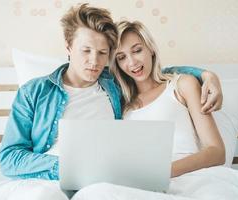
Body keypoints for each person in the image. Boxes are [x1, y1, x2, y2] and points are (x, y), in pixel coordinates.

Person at [0, 3, 221, 200]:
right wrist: (66, 167)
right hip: (48, 179)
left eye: (103, 53)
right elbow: (9, 157)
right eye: (86, 50)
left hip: (103, 185)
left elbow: (158, 76)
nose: (94, 62)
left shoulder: (113, 86)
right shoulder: (34, 92)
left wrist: (206, 75)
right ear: (68, 47)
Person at [70, 20, 225, 200]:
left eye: (137, 50)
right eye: (121, 57)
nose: (132, 62)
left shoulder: (182, 85)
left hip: (191, 179)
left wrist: (162, 172)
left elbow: (217, 151)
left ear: (150, 49)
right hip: (140, 186)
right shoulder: (121, 105)